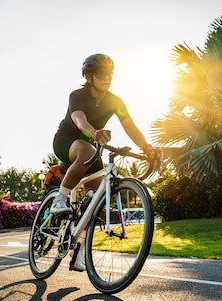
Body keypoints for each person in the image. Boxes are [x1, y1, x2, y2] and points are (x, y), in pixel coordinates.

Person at [51, 53, 161, 271]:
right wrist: (94, 132)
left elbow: (129, 125)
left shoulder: (114, 101)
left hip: (91, 149)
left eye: (110, 74)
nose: (107, 78)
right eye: (102, 74)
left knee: (94, 201)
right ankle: (59, 200)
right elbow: (79, 120)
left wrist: (147, 148)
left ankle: (80, 251)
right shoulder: (78, 95)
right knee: (88, 151)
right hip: (67, 141)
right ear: (89, 76)